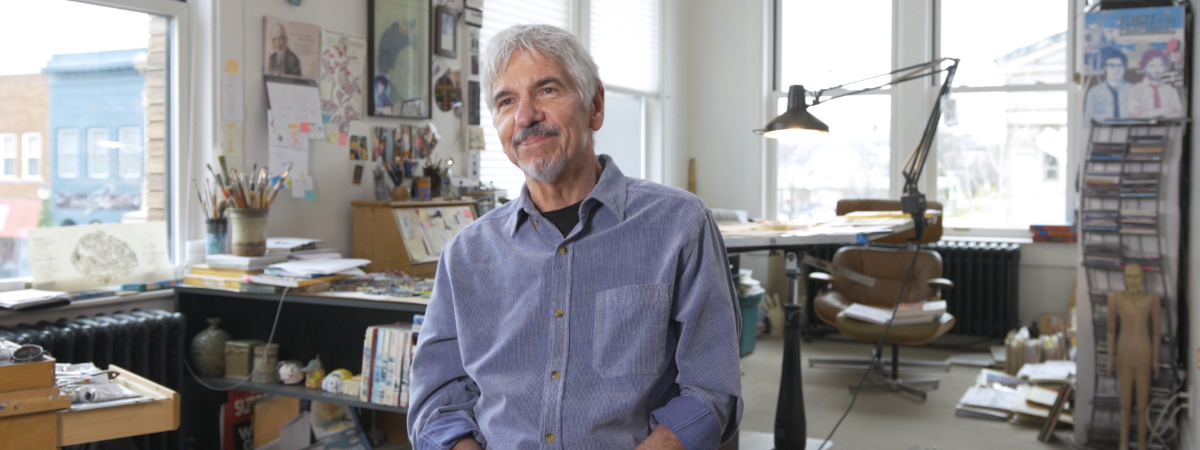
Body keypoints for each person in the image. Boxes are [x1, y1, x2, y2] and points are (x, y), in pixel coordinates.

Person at [407, 24, 743, 450]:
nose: (525, 116)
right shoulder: (466, 254)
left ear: (595, 106)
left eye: (546, 90)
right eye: (506, 101)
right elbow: (437, 402)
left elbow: (711, 389)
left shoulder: (681, 225)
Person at [1106, 264, 1161, 450]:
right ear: (1124, 278)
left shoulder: (1153, 299)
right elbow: (1111, 331)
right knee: (1125, 404)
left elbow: (1156, 333)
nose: (1133, 281)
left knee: (1142, 405)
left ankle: (1142, 445)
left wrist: (1155, 360)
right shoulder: (1115, 298)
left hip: (1144, 354)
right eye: (1129, 277)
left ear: (1143, 278)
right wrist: (1110, 358)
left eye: (1137, 277)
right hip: (1124, 355)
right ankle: (1123, 444)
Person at [1126, 49, 1184, 119]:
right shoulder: (1135, 90)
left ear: (1165, 67)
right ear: (1144, 68)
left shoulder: (1171, 91)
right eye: (1152, 66)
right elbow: (1136, 116)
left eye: (1161, 65)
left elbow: (1178, 114)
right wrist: (1166, 110)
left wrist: (1149, 113)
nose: (1157, 69)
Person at [1084, 48, 1131, 125]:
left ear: (1125, 67)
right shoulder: (1095, 92)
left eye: (1120, 65)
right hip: (1101, 131)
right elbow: (1088, 120)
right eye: (1111, 65)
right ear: (1105, 67)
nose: (1116, 69)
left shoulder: (1134, 90)